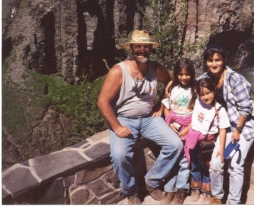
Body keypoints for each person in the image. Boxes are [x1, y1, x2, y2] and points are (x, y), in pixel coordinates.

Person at [97, 30, 183, 205]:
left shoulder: (156, 68)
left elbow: (170, 82)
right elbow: (102, 101)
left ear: (150, 49)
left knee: (176, 145)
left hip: (149, 118)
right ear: (132, 49)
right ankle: (132, 192)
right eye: (138, 46)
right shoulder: (118, 71)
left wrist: (161, 105)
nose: (142, 50)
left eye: (146, 46)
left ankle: (151, 180)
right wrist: (117, 127)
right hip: (124, 119)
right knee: (120, 156)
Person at [198, 45, 254, 204]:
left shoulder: (235, 79)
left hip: (242, 128)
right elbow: (194, 88)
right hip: (224, 129)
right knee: (216, 163)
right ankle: (217, 197)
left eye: (218, 60)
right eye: (210, 60)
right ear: (206, 62)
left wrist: (238, 129)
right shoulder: (206, 78)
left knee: (235, 166)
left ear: (224, 60)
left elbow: (246, 107)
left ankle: (233, 202)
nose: (214, 64)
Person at [183, 77, 230, 204]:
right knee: (195, 164)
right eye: (202, 94)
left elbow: (222, 130)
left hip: (208, 142)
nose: (205, 97)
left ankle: (207, 191)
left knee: (206, 166)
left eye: (208, 93)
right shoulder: (198, 100)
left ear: (214, 90)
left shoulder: (219, 110)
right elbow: (187, 80)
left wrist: (221, 148)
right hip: (194, 139)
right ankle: (195, 188)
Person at [160, 58, 196, 204]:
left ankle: (181, 189)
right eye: (180, 74)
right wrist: (169, 122)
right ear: (176, 75)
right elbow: (166, 107)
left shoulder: (195, 89)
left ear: (192, 74)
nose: (184, 77)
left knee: (185, 159)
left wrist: (188, 128)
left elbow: (200, 111)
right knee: (173, 156)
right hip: (174, 125)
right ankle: (169, 189)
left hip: (189, 126)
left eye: (187, 74)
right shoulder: (172, 88)